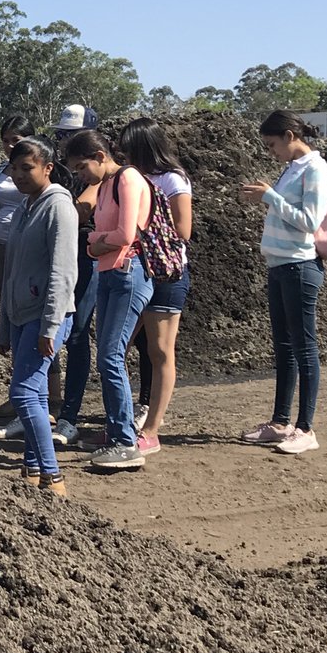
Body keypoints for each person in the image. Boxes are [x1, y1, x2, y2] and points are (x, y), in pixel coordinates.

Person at [239, 110, 327, 454]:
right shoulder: (292, 169)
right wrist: (268, 198)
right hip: (279, 266)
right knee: (283, 347)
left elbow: (309, 221)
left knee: (304, 348)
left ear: (291, 135)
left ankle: (306, 428)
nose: (270, 152)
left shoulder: (316, 169)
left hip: (300, 267)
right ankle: (281, 422)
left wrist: (270, 197)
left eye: (272, 144)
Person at [64, 130, 154, 469]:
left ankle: (124, 442)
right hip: (111, 274)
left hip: (128, 274)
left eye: (82, 166)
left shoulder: (127, 179)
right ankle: (119, 431)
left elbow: (124, 235)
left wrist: (94, 242)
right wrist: (97, 244)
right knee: (109, 356)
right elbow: (103, 239)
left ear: (101, 156)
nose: (80, 175)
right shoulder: (104, 186)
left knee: (111, 357)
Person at [0, 136, 78, 496]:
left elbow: (63, 272)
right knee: (37, 395)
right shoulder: (26, 207)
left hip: (46, 316)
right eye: (14, 168)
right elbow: (12, 269)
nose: (19, 175)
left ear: (47, 167)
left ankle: (53, 474)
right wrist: (4, 323)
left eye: (27, 168)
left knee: (24, 393)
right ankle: (32, 470)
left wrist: (51, 325)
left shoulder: (58, 206)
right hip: (20, 314)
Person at [121, 119, 193, 454]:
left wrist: (142, 227)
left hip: (165, 273)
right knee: (116, 348)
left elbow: (183, 230)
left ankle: (151, 429)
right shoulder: (132, 177)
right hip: (135, 272)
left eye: (128, 147)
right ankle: (121, 422)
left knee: (160, 350)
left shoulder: (171, 179)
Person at [50, 106, 103, 447]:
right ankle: (49, 411)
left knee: (79, 334)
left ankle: (70, 416)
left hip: (87, 258)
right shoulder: (63, 171)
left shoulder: (97, 176)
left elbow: (82, 210)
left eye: (70, 135)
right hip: (60, 256)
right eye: (61, 136)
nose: (64, 142)